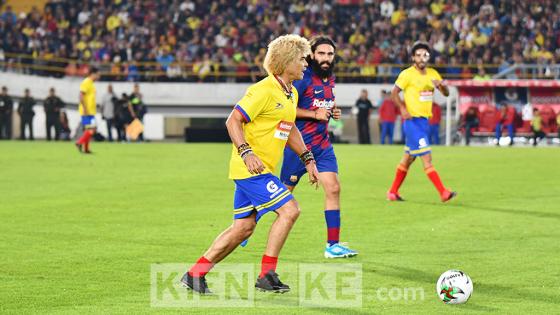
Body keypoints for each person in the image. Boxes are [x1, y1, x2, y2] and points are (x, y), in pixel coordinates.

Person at [182, 35, 318, 294]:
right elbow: (233, 120)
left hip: (261, 170)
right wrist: (246, 152)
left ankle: (194, 274)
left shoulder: (291, 93)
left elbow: (288, 130)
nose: (305, 64)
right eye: (302, 59)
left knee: (243, 228)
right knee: (290, 210)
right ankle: (267, 275)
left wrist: (308, 159)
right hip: (250, 170)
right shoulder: (263, 90)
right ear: (286, 61)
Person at [280, 35, 358, 259]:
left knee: (333, 188)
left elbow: (324, 103)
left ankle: (332, 246)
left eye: (330, 54)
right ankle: (246, 225)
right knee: (282, 195)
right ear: (312, 54)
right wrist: (314, 114)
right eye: (321, 53)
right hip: (299, 146)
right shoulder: (302, 78)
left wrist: (333, 111)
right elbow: (287, 110)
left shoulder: (329, 78)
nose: (326, 58)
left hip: (323, 146)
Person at [387, 41, 456, 202]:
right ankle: (443, 192)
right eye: (418, 55)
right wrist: (403, 109)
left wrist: (442, 86)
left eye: (425, 55)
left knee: (408, 159)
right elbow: (394, 93)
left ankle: (392, 192)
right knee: (427, 157)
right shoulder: (407, 74)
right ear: (413, 57)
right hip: (412, 122)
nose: (422, 57)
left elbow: (445, 94)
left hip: (424, 122)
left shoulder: (433, 74)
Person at [75, 67, 100, 153]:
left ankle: (86, 149)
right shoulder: (86, 82)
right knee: (92, 129)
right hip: (86, 111)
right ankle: (79, 142)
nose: (98, 76)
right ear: (93, 74)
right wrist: (85, 109)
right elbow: (81, 96)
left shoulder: (91, 83)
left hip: (91, 112)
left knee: (89, 130)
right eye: (98, 74)